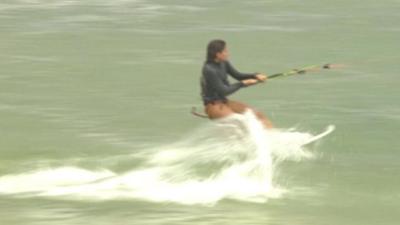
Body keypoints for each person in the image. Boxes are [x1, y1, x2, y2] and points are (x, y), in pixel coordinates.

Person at [200, 39, 273, 129]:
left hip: (225, 102)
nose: (228, 53)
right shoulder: (209, 70)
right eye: (225, 51)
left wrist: (256, 76)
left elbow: (238, 75)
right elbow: (224, 91)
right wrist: (242, 84)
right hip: (213, 106)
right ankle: (244, 142)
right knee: (238, 124)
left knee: (257, 116)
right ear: (218, 54)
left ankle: (271, 137)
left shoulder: (223, 63)